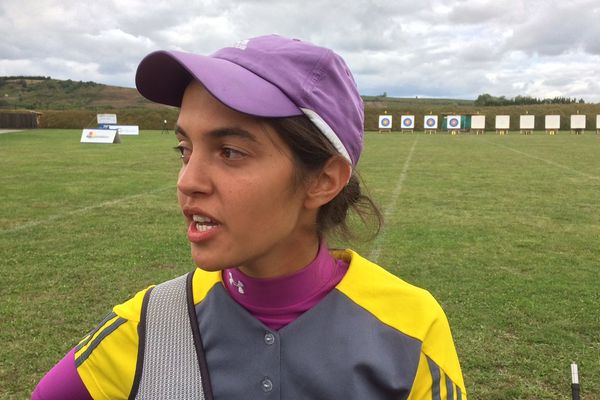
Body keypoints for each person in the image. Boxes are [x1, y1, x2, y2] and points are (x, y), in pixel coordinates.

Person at [32, 34, 466, 399]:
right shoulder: (150, 327)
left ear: (323, 180)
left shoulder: (410, 330)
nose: (187, 181)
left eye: (230, 152)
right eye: (185, 150)